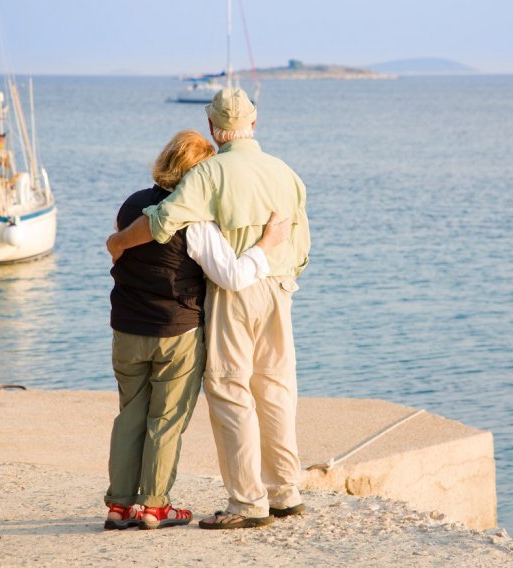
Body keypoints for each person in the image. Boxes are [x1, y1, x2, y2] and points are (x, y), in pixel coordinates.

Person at [106, 88, 311, 529]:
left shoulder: (210, 173)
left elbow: (164, 219)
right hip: (280, 287)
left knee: (231, 391)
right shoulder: (286, 173)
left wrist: (119, 242)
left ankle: (247, 503)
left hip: (236, 292)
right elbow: (303, 246)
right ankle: (285, 492)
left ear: (216, 130)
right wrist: (281, 272)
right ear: (254, 124)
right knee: (276, 389)